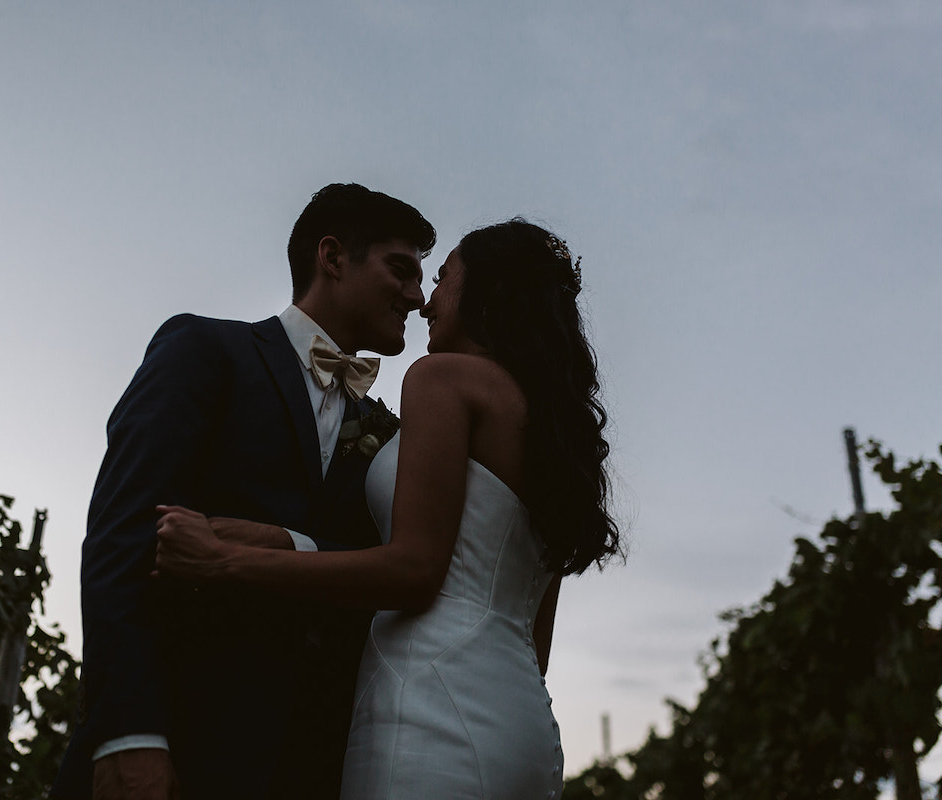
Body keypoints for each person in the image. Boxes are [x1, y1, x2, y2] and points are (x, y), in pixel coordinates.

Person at [155, 218, 622, 800]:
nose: (426, 302)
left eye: (445, 277)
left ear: (488, 293)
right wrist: (275, 538)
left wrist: (225, 560)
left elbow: (414, 571)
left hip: (429, 706)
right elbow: (531, 633)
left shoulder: (443, 379)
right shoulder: (553, 432)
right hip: (521, 720)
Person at [49, 184, 437, 800]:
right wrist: (129, 732)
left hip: (311, 765)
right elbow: (123, 534)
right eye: (401, 270)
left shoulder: (391, 437)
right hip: (178, 739)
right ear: (332, 258)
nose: (418, 298)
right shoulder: (206, 350)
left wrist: (291, 544)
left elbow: (381, 570)